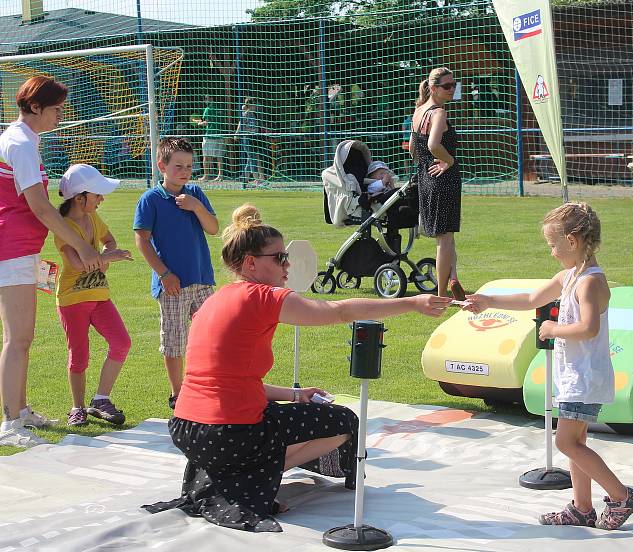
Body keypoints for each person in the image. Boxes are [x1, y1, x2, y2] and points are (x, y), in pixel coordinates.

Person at [143, 204, 449, 532]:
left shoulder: (216, 300)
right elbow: (339, 311)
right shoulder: (262, 297)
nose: (287, 264)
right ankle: (244, 479)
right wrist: (412, 302)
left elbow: (228, 381)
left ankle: (232, 473)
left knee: (280, 417)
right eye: (279, 258)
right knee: (344, 422)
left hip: (188, 431)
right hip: (227, 433)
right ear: (250, 263)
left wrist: (295, 394)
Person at [462, 202, 633, 530]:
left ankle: (621, 496)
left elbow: (588, 327)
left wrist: (552, 329)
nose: (552, 253)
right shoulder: (569, 276)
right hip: (575, 376)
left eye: (553, 246)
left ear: (572, 241)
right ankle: (582, 508)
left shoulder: (589, 282)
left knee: (565, 442)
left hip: (584, 378)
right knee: (576, 443)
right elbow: (532, 299)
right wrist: (489, 301)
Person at [0, 76, 102, 449]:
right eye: (57, 109)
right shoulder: (21, 142)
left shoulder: (24, 140)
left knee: (21, 337)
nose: (61, 116)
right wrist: (83, 247)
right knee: (18, 338)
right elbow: (40, 207)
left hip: (18, 247)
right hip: (11, 248)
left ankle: (20, 410)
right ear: (36, 107)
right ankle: (11, 422)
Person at [133, 138, 219, 409]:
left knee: (212, 335)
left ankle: (208, 385)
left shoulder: (195, 193)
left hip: (202, 280)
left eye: (189, 166)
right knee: (174, 340)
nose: (185, 171)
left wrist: (196, 206)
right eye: (178, 166)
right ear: (162, 166)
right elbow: (142, 240)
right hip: (172, 285)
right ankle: (178, 394)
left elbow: (213, 228)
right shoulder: (150, 199)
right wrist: (164, 274)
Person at [55, 164, 133, 427]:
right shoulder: (63, 226)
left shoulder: (94, 219)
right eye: (98, 194)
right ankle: (77, 407)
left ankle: (100, 399)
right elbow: (78, 264)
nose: (102, 199)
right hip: (72, 301)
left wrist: (106, 253)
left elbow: (110, 240)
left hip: (99, 295)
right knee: (79, 356)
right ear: (80, 198)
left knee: (121, 342)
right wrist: (107, 257)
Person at [411, 67, 465, 300]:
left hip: (426, 178)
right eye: (447, 86)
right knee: (445, 239)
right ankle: (443, 295)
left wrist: (425, 165)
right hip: (444, 178)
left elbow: (414, 148)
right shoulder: (438, 113)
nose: (452, 89)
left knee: (446, 236)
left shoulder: (418, 111)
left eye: (454, 84)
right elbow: (433, 145)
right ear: (434, 89)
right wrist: (449, 160)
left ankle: (453, 277)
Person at [192, 96, 225, 181]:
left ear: (210, 99)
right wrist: (198, 121)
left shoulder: (207, 109)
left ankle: (206, 176)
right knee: (219, 156)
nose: (205, 101)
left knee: (206, 156)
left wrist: (198, 124)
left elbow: (206, 123)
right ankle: (220, 175)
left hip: (210, 135)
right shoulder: (219, 107)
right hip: (220, 135)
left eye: (206, 99)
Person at [236, 97, 262, 186]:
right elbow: (241, 126)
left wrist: (256, 130)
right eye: (254, 104)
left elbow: (256, 126)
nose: (256, 106)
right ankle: (256, 180)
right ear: (250, 105)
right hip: (247, 138)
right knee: (253, 158)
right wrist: (237, 134)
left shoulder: (254, 114)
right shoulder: (245, 115)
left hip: (254, 138)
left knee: (250, 159)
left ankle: (245, 179)